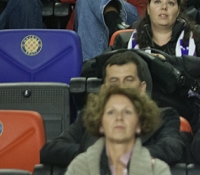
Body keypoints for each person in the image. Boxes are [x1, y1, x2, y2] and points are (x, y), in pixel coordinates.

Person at [110, 0, 200, 130]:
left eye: (170, 3)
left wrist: (169, 61)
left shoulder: (195, 35)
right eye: (157, 1)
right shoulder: (125, 40)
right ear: (148, 9)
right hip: (134, 106)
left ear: (178, 11)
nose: (163, 7)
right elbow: (93, 66)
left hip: (181, 106)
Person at [40, 52, 185, 167]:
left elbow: (172, 148)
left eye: (128, 80)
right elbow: (51, 149)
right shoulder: (88, 116)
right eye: (114, 81)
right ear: (104, 89)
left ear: (142, 88)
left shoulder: (164, 116)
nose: (121, 87)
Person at [64, 86, 170, 175]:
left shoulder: (157, 171)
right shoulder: (78, 168)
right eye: (111, 112)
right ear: (100, 124)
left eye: (127, 112)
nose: (119, 117)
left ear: (139, 124)